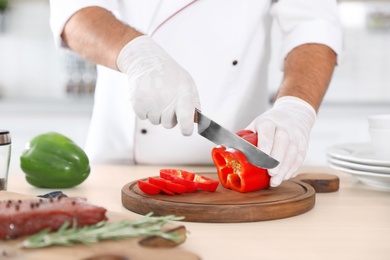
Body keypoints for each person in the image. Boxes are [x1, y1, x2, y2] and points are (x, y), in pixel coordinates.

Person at [49, 0, 342, 187]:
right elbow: (74, 11)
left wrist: (296, 108)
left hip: (242, 153)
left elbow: (313, 23)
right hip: (117, 167)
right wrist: (138, 56)